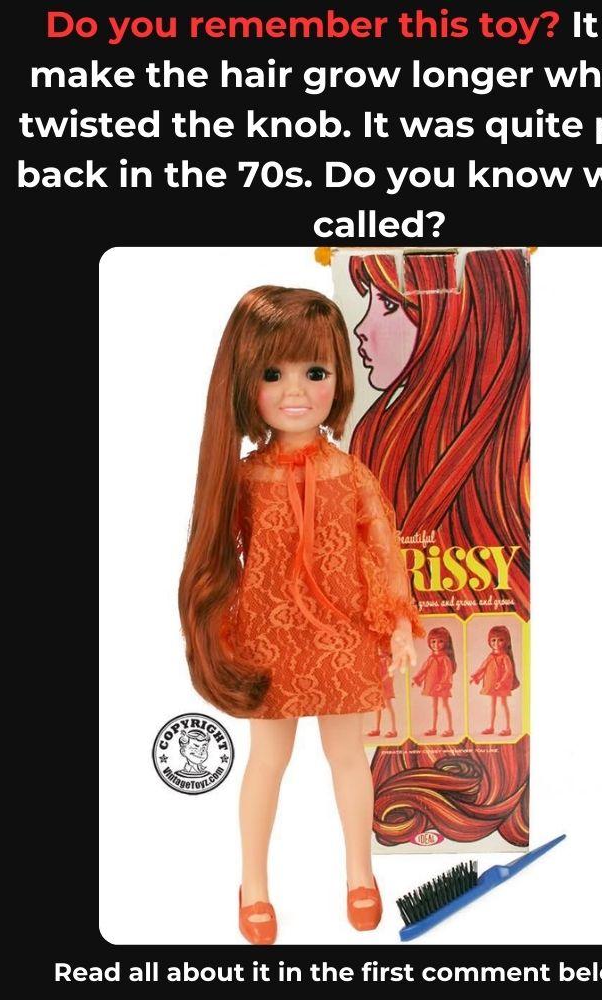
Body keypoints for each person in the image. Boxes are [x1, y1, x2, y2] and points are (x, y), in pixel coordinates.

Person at [178, 286, 422, 944]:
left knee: (348, 756)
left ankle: (360, 873)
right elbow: (218, 556)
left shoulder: (352, 474)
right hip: (268, 635)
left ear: (338, 377)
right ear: (245, 382)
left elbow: (383, 548)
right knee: (268, 759)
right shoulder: (242, 478)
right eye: (272, 373)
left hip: (343, 634)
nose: (295, 391)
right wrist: (218, 626)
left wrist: (399, 622)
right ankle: (253, 884)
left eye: (315, 372)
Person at [349, 249, 530, 621]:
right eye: (369, 302)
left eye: (387, 304)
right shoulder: (370, 441)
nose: (361, 329)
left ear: (461, 314)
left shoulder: (517, 464)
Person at [470, 625, 519, 736]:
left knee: (503, 704)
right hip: (492, 684)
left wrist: (501, 682)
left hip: (502, 685)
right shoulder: (491, 656)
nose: (496, 643)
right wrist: (476, 676)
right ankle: (491, 726)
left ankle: (507, 728)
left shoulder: (505, 657)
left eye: (500, 640)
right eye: (493, 640)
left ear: (506, 642)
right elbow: (483, 666)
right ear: (489, 641)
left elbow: (508, 671)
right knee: (492, 705)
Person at [412, 626, 456, 737]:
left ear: (446, 643)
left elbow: (448, 673)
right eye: (433, 641)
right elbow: (423, 669)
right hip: (432, 685)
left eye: (440, 641)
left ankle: (450, 729)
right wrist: (417, 679)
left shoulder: (445, 659)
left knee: (445, 705)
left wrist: (443, 684)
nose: (436, 644)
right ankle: (434, 728)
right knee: (434, 707)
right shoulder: (431, 658)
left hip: (442, 686)